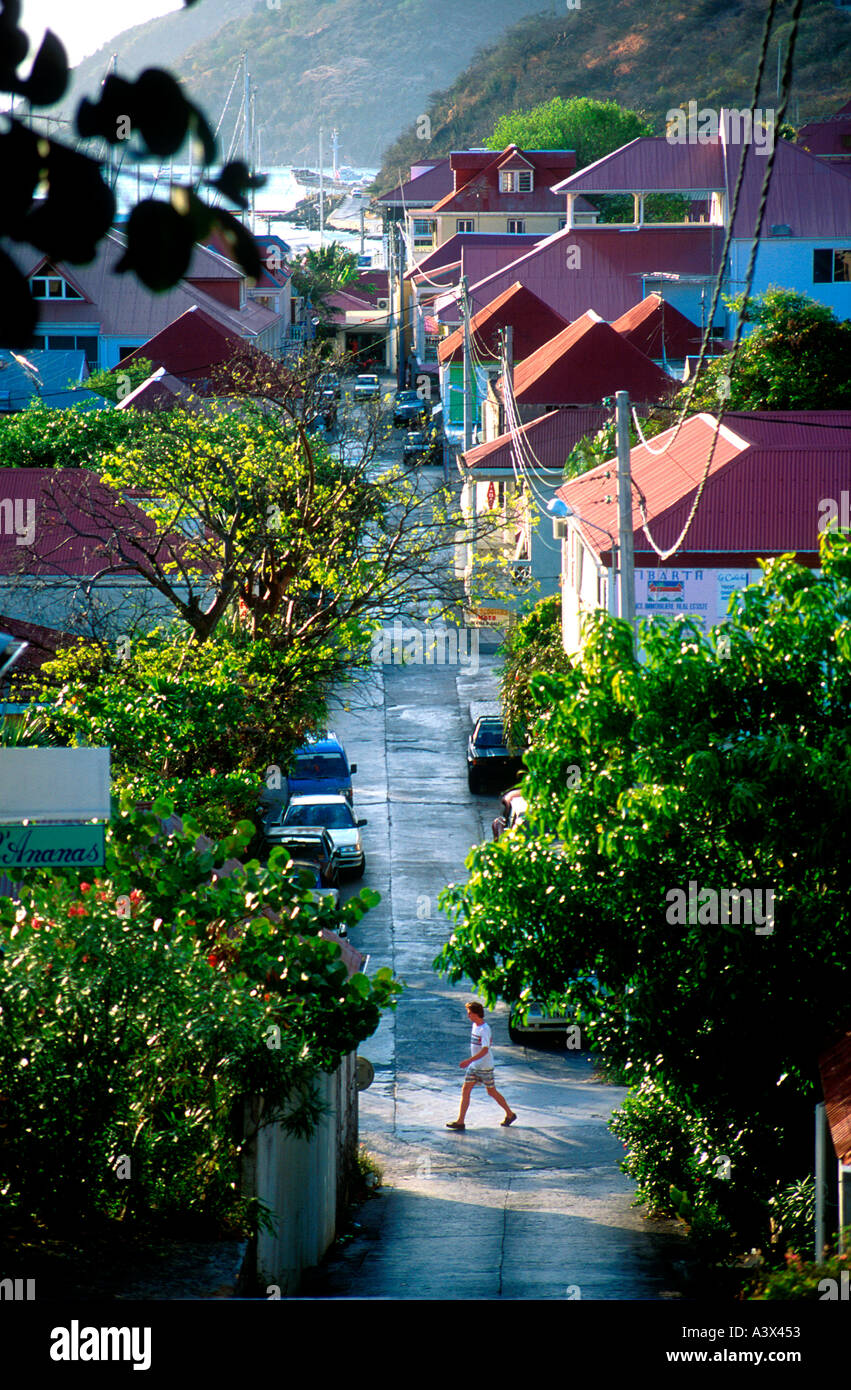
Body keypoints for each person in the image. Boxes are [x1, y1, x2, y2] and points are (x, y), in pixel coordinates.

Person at [446, 1001, 517, 1130]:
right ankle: (460, 1121)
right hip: (474, 1066)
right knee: (465, 1090)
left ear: (476, 1014)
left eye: (470, 1013)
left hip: (484, 1067)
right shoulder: (475, 1026)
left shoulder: (484, 1029)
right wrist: (472, 1062)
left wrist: (468, 1060)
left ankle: (510, 1114)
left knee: (491, 1092)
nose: (468, 1016)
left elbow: (485, 1050)